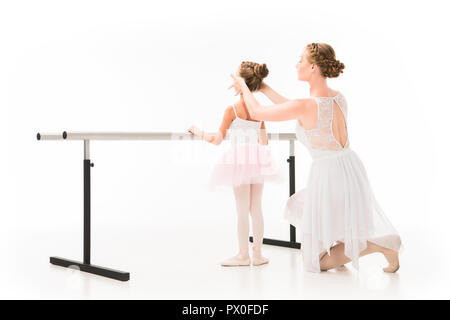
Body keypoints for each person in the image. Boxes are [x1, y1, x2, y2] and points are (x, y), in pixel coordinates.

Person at [229, 43, 403, 273]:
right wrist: (265, 88)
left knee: (314, 262)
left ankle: (382, 244)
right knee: (305, 209)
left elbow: (258, 113)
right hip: (349, 167)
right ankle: (364, 247)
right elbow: (294, 107)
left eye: (300, 60)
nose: (296, 64)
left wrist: (243, 85)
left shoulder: (307, 105)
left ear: (313, 67)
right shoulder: (338, 98)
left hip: (330, 174)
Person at [188, 61, 283, 267]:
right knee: (256, 208)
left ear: (241, 83)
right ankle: (257, 254)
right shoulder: (259, 110)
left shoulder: (232, 109)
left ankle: (242, 255)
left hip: (239, 160)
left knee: (242, 209)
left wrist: (198, 131)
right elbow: (264, 142)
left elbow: (216, 140)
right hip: (258, 159)